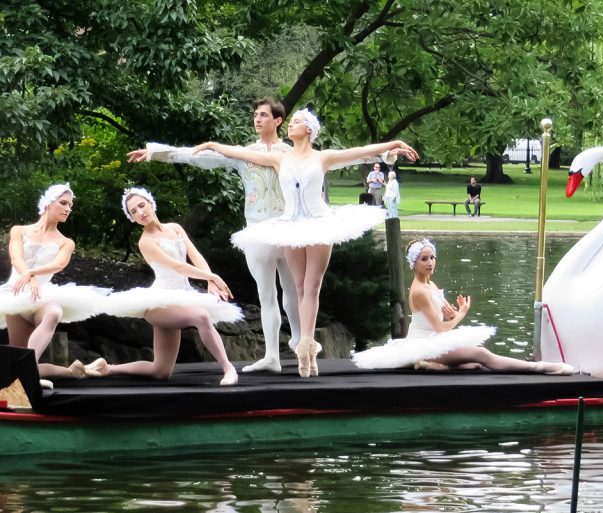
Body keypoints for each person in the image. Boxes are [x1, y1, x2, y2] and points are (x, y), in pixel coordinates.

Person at [191, 109, 419, 377]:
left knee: (312, 286)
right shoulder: (278, 158)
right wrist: (211, 145)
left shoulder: (323, 157)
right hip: (291, 227)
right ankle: (305, 346)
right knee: (298, 287)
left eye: (296, 122)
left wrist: (393, 144)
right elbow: (240, 153)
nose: (290, 126)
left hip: (319, 224)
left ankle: (306, 344)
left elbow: (360, 151)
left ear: (309, 130)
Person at [353, 239, 574, 374]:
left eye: (432, 257)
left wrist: (452, 315)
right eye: (424, 259)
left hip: (435, 339)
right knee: (481, 354)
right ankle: (540, 368)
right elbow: (440, 328)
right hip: (425, 344)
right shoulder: (419, 291)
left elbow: (443, 321)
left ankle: (439, 368)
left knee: (475, 366)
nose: (430, 263)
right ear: (414, 263)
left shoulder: (430, 283)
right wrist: (461, 315)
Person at [90, 187, 241, 386]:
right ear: (132, 219)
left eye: (142, 206)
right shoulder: (146, 242)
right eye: (133, 212)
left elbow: (195, 256)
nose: (140, 212)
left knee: (160, 371)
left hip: (182, 296)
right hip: (159, 304)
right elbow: (177, 266)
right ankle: (228, 368)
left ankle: (107, 368)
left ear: (151, 204)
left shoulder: (175, 228)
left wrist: (210, 280)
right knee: (201, 316)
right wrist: (213, 276)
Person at [0, 183, 109, 386]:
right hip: (14, 297)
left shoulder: (66, 242)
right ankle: (72, 372)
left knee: (54, 312)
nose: (68, 208)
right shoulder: (20, 231)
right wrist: (29, 276)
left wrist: (33, 274)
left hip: (42, 297)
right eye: (64, 203)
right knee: (20, 360)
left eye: (70, 205)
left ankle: (26, 376)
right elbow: (16, 257)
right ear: (49, 203)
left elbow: (58, 265)